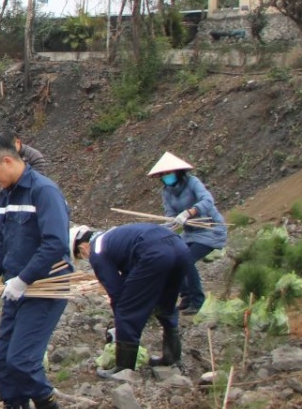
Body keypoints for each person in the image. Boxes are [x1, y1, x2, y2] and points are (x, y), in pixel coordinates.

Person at [0, 133, 73, 409]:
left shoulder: (44, 192)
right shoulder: (6, 195)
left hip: (45, 289)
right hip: (16, 289)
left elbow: (56, 243)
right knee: (3, 364)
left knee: (23, 360)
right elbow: (1, 244)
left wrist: (24, 278)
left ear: (8, 160)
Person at [72, 223, 191, 375]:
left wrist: (121, 326)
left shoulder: (97, 249)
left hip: (155, 254)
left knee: (126, 308)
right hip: (180, 248)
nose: (86, 259)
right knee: (165, 303)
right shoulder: (112, 235)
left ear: (82, 248)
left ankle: (124, 368)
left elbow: (116, 292)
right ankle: (172, 357)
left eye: (81, 257)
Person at [151, 152, 228, 316]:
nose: (166, 177)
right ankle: (185, 296)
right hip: (190, 232)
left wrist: (188, 213)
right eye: (163, 175)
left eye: (168, 173)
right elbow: (170, 214)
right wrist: (167, 225)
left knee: (186, 259)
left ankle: (198, 301)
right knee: (173, 258)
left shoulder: (193, 182)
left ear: (177, 172)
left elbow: (207, 201)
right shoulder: (166, 191)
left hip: (210, 229)